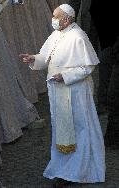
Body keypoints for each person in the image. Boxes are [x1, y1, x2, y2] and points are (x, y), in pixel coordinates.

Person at [21, 4, 105, 187]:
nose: (53, 19)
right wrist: (34, 59)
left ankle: (77, 171)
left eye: (56, 16)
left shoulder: (78, 37)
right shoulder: (56, 35)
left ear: (66, 19)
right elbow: (46, 57)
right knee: (61, 131)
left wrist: (66, 76)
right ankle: (62, 168)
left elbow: (87, 67)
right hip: (57, 92)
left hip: (75, 93)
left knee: (79, 130)